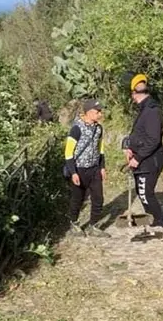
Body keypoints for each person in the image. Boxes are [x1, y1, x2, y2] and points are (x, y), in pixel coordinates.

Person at [125, 73, 163, 239]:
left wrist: (138, 158)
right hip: (145, 158)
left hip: (150, 160)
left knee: (145, 193)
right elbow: (140, 135)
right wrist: (129, 147)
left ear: (133, 94)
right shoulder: (145, 109)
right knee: (142, 191)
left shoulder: (151, 111)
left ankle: (160, 224)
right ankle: (153, 221)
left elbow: (153, 139)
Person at [63, 99, 111, 237]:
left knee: (98, 198)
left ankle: (93, 225)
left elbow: (100, 149)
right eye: (97, 112)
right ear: (88, 112)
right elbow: (68, 152)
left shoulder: (98, 128)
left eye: (100, 111)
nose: (100, 114)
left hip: (94, 168)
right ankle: (73, 223)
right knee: (78, 199)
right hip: (79, 169)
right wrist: (73, 173)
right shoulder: (76, 129)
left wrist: (102, 167)